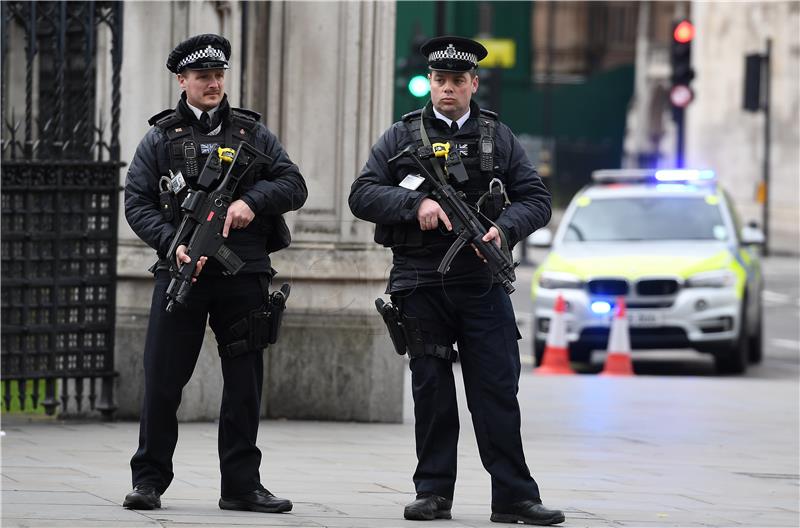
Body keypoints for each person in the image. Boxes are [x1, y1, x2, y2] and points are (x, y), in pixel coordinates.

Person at [349, 36, 564, 525]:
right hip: (420, 281)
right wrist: (415, 204)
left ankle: (513, 497)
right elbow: (362, 194)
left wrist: (502, 228)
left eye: (456, 81)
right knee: (432, 389)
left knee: (496, 390)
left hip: (481, 282)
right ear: (431, 83)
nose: (447, 89)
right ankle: (433, 492)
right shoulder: (401, 137)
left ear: (473, 84)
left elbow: (536, 198)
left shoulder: (497, 137)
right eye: (439, 80)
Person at [122, 34, 307, 514]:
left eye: (218, 75)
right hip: (182, 269)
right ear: (182, 81)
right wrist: (172, 242)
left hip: (244, 273)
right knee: (163, 379)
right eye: (202, 76)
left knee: (244, 383)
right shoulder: (160, 138)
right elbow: (137, 203)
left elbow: (293, 183)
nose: (213, 83)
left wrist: (250, 202)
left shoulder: (252, 133)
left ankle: (242, 485)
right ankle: (149, 480)